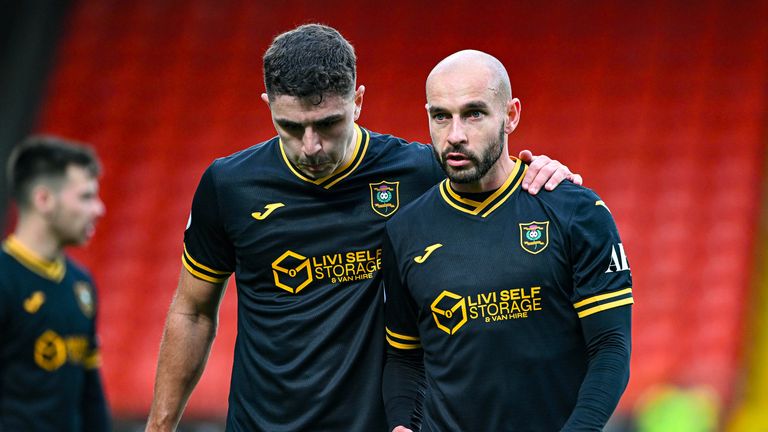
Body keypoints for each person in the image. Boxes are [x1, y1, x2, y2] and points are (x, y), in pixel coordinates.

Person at [146, 24, 581, 432]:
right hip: (261, 422)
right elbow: (194, 310)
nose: (310, 146)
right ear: (268, 106)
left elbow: (498, 183)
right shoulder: (229, 186)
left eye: (329, 124)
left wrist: (542, 171)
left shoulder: (418, 174)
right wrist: (159, 427)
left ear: (357, 101)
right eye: (291, 127)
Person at [381, 50, 633, 431]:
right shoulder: (405, 231)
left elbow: (611, 347)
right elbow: (404, 357)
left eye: (474, 113)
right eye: (441, 116)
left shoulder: (575, 211)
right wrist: (402, 423)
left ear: (511, 115)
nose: (455, 135)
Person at [0, 135, 110, 431]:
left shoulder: (82, 285)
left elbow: (90, 395)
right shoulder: (5, 279)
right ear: (44, 200)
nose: (99, 209)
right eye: (86, 197)